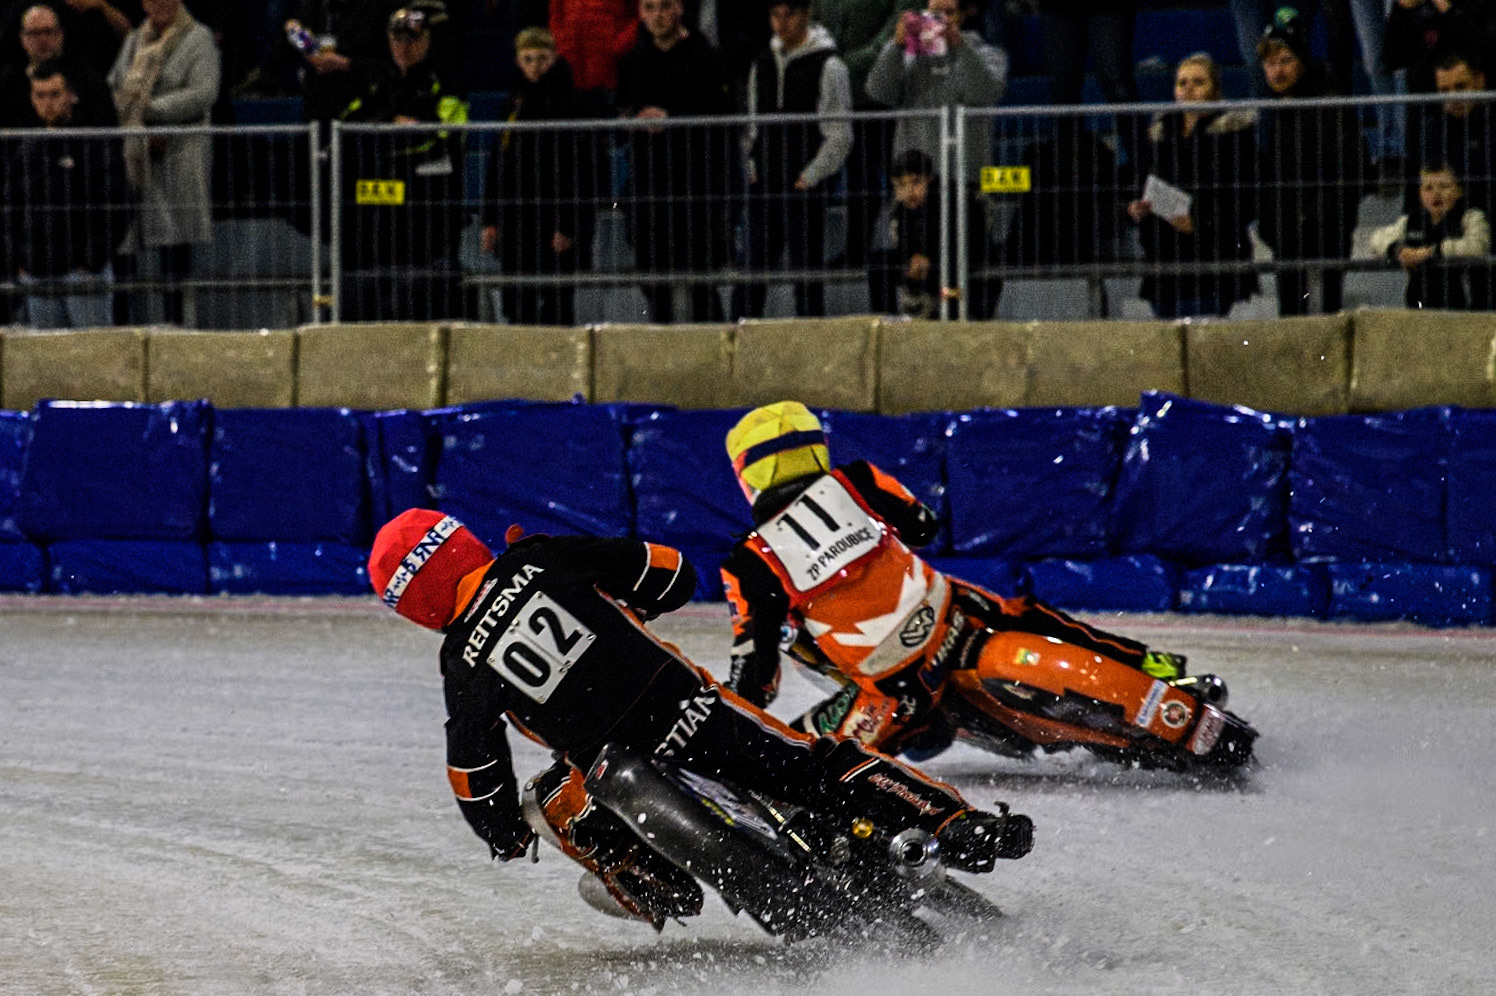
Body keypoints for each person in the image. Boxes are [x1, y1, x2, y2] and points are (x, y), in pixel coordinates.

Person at [366, 509, 1031, 927]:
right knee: (809, 764)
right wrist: (629, 601)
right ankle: (952, 819)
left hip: (607, 765)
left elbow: (474, 774)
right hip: (687, 711)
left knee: (553, 804)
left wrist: (504, 835)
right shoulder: (539, 558)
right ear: (465, 544)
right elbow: (672, 573)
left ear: (412, 607)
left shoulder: (462, 662)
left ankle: (652, 884)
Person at [719, 401, 1193, 758]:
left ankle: (874, 834)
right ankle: (1159, 665)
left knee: (801, 766)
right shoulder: (858, 480)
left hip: (895, 689)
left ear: (749, 475)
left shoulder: (747, 562)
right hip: (955, 615)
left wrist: (726, 724)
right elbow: (924, 526)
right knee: (1026, 613)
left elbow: (754, 678)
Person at [865, 0, 1005, 317]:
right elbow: (877, 91)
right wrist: (895, 45)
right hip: (916, 190)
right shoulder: (910, 55)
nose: (939, 21)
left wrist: (959, 47)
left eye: (948, 13)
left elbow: (988, 91)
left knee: (957, 268)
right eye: (933, 13)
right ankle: (897, 329)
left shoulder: (984, 52)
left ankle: (959, 322)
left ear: (964, 14)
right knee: (899, 265)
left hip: (965, 187)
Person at [336, 4, 468, 322]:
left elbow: (446, 134)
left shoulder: (443, 80)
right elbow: (348, 125)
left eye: (411, 40)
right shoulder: (379, 80)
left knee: (426, 290)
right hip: (380, 210)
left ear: (425, 41)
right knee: (373, 287)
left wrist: (389, 134)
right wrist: (392, 123)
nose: (404, 48)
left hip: (429, 207)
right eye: (397, 40)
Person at [615, 0, 734, 324]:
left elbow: (723, 112)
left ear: (680, 8)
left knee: (701, 283)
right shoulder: (632, 62)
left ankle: (715, 355)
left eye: (665, 6)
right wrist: (631, 119)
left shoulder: (706, 58)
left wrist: (673, 118)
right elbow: (621, 111)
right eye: (650, 7)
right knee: (653, 280)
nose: (657, 15)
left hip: (696, 183)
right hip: (647, 183)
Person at [735, 0, 852, 319]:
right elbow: (753, 123)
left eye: (789, 15)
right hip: (765, 182)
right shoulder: (761, 63)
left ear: (806, 14)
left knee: (807, 278)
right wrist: (752, 165)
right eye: (775, 15)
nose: (781, 23)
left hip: (804, 185)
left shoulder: (830, 65)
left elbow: (840, 132)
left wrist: (812, 175)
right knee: (750, 275)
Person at [481, 26, 606, 326]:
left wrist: (569, 225)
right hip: (516, 218)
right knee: (517, 303)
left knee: (557, 303)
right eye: (527, 59)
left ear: (554, 58)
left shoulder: (573, 104)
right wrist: (489, 218)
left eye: (541, 58)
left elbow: (582, 170)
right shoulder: (513, 103)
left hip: (555, 219)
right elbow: (499, 163)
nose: (534, 67)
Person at [107, 0, 219, 326]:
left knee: (174, 249)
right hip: (134, 155)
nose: (161, 5)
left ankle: (175, 328)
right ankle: (122, 329)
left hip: (180, 154)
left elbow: (203, 92)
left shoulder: (198, 38)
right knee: (127, 246)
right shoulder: (133, 40)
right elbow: (115, 83)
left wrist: (149, 111)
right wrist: (133, 117)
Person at [1126, 53, 1260, 320]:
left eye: (1198, 82)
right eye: (1181, 82)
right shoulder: (1159, 133)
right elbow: (1141, 182)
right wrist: (1135, 207)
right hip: (1164, 261)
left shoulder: (1235, 134)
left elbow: (1247, 197)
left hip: (1212, 261)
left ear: (1215, 90)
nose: (1188, 89)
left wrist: (1199, 221)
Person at [1254, 8, 1370, 315]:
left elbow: (1352, 170)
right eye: (1270, 63)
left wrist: (1317, 217)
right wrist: (1272, 226)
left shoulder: (1329, 103)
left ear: (1302, 60)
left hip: (1326, 232)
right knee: (1292, 317)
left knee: (1328, 315)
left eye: (1285, 61)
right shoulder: (1275, 110)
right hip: (1287, 235)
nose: (1277, 71)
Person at [4, 57, 131, 327]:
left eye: (55, 94)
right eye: (40, 95)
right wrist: (20, 259)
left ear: (71, 96)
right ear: (31, 99)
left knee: (93, 357)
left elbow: (117, 206)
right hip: (38, 272)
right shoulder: (26, 151)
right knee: (47, 360)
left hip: (82, 273)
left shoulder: (94, 146)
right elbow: (11, 209)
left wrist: (91, 260)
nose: (48, 102)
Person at [813, 0, 921, 274]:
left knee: (904, 173)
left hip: (887, 94)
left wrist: (840, 65)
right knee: (858, 175)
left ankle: (915, 246)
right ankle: (856, 249)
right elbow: (815, 24)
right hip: (841, 98)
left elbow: (898, 28)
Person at [1416, 51, 1495, 306]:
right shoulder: (1432, 129)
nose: (1452, 97)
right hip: (1448, 238)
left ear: (1480, 81)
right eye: (1444, 89)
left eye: (1460, 87)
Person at [1369, 163, 1491, 308]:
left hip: (1459, 306)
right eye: (1428, 188)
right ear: (1420, 194)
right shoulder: (1412, 220)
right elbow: (1376, 239)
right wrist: (1399, 251)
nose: (1436, 193)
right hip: (1417, 305)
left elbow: (1478, 246)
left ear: (1459, 191)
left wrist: (1433, 252)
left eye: (1444, 187)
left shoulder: (1470, 217)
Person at [0, 4, 116, 127]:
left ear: (60, 34)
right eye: (34, 33)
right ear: (23, 38)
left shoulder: (86, 76)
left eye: (48, 32)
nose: (42, 39)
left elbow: (106, 124)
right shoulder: (9, 80)